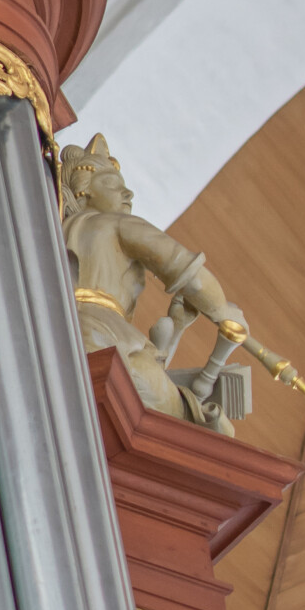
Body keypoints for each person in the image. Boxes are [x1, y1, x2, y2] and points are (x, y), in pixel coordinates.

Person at [60, 134, 245, 432]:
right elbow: (191, 276)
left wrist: (176, 330)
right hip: (105, 340)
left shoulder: (55, 232)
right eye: (111, 183)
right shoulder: (113, 223)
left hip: (58, 335)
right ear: (84, 191)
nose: (128, 192)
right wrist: (223, 311)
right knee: (199, 429)